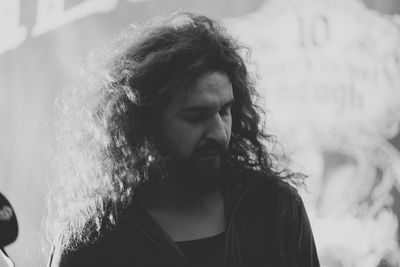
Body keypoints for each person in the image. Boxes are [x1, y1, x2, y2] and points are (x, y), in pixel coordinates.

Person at [47, 12, 320, 267]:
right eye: (196, 116)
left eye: (225, 111)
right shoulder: (93, 241)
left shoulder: (276, 209)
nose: (219, 132)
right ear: (146, 123)